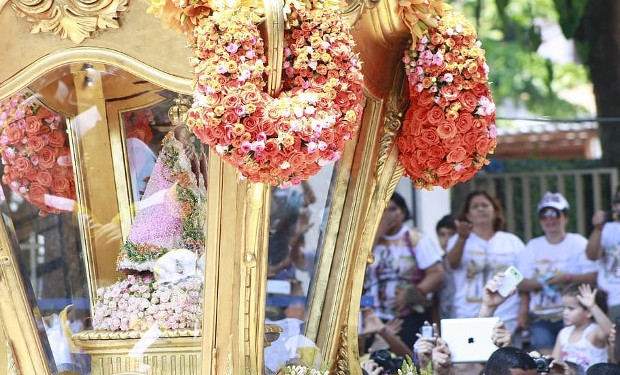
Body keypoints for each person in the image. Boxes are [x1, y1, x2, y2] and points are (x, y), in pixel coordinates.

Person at [518, 192, 598, 354]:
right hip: (541, 317)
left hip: (575, 315)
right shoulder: (532, 246)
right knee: (547, 363)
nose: (550, 219)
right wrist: (544, 282)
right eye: (544, 215)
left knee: (573, 359)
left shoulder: (579, 242)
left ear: (566, 217)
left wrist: (567, 277)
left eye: (555, 214)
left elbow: (594, 277)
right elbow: (521, 283)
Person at [363, 192, 444, 349]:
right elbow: (356, 268)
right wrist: (377, 233)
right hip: (373, 318)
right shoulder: (366, 240)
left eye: (392, 209)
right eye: (382, 209)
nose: (387, 215)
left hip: (408, 316)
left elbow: (436, 273)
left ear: (403, 212)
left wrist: (412, 293)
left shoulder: (416, 238)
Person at [446, 190, 525, 340]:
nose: (480, 209)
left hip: (507, 314)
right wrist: (462, 239)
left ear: (495, 212)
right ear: (468, 215)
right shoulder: (458, 240)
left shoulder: (512, 241)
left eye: (485, 205)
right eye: (475, 206)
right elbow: (452, 265)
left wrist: (523, 313)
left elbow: (523, 280)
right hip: (466, 314)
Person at [552, 284, 611, 373]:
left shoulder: (594, 331)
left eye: (571, 308)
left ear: (588, 312)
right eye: (564, 308)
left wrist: (592, 306)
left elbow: (610, 331)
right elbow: (555, 361)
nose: (565, 312)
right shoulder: (563, 333)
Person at [586, 188, 620, 322]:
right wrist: (598, 228)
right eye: (619, 200)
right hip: (612, 299)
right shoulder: (607, 229)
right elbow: (592, 255)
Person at [435, 214, 457, 320]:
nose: (447, 239)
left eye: (452, 234)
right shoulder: (436, 265)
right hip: (445, 319)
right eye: (442, 235)